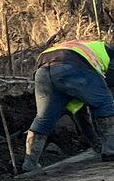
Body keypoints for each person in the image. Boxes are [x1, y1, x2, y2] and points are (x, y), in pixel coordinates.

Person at [23, 39, 114, 171]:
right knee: (105, 104)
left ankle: (29, 164)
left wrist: (96, 143)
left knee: (44, 118)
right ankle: (111, 151)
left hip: (43, 70)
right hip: (71, 64)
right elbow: (107, 91)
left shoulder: (89, 49)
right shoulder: (109, 54)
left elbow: (79, 112)